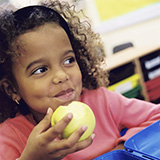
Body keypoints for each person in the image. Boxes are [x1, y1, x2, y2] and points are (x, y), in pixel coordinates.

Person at [0, 0, 160, 160]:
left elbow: (156, 116)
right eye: (40, 70)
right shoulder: (9, 137)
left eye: (68, 60)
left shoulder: (102, 101)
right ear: (12, 89)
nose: (62, 75)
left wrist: (120, 150)